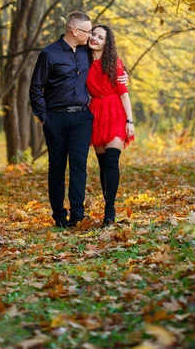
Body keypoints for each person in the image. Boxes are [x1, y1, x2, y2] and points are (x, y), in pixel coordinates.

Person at [29, 12, 127, 229]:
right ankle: (58, 215)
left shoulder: (86, 53)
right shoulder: (49, 54)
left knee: (79, 166)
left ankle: (77, 214)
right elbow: (36, 88)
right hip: (55, 117)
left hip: (82, 117)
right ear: (75, 31)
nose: (91, 35)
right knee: (56, 167)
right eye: (87, 31)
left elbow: (109, 63)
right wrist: (44, 118)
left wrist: (124, 74)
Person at [87, 25, 134, 226]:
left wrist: (130, 121)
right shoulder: (83, 61)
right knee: (102, 164)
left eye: (100, 37)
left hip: (115, 111)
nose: (95, 38)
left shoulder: (114, 63)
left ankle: (110, 210)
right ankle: (107, 204)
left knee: (112, 162)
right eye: (93, 35)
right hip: (96, 112)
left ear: (107, 43)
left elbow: (124, 92)